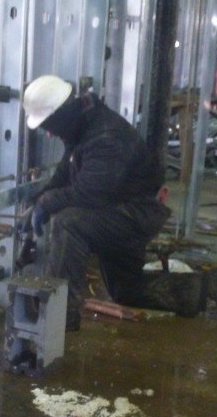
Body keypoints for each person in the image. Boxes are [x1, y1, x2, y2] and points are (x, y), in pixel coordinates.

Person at [20, 75, 171, 330]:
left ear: (61, 115)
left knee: (68, 223)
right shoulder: (82, 127)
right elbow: (64, 175)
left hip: (135, 213)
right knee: (127, 292)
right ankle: (200, 289)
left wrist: (47, 203)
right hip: (117, 210)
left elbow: (90, 193)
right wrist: (37, 200)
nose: (47, 132)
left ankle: (59, 318)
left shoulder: (106, 136)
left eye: (48, 125)